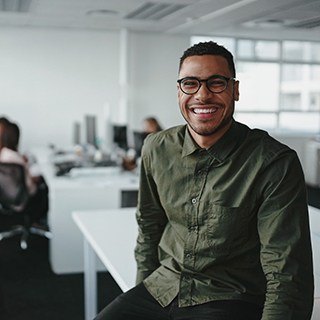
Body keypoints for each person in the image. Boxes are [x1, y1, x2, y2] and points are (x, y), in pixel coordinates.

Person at [95, 41, 314, 320]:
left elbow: (286, 271)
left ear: (235, 90)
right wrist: (141, 294)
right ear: (179, 92)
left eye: (216, 83)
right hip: (163, 287)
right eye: (190, 83)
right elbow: (149, 227)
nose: (202, 95)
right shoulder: (157, 148)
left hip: (228, 297)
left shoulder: (273, 162)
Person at [0, 117, 49, 225]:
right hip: (25, 202)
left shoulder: (4, 155)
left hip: (7, 202)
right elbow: (29, 186)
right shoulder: (15, 158)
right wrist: (35, 179)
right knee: (45, 186)